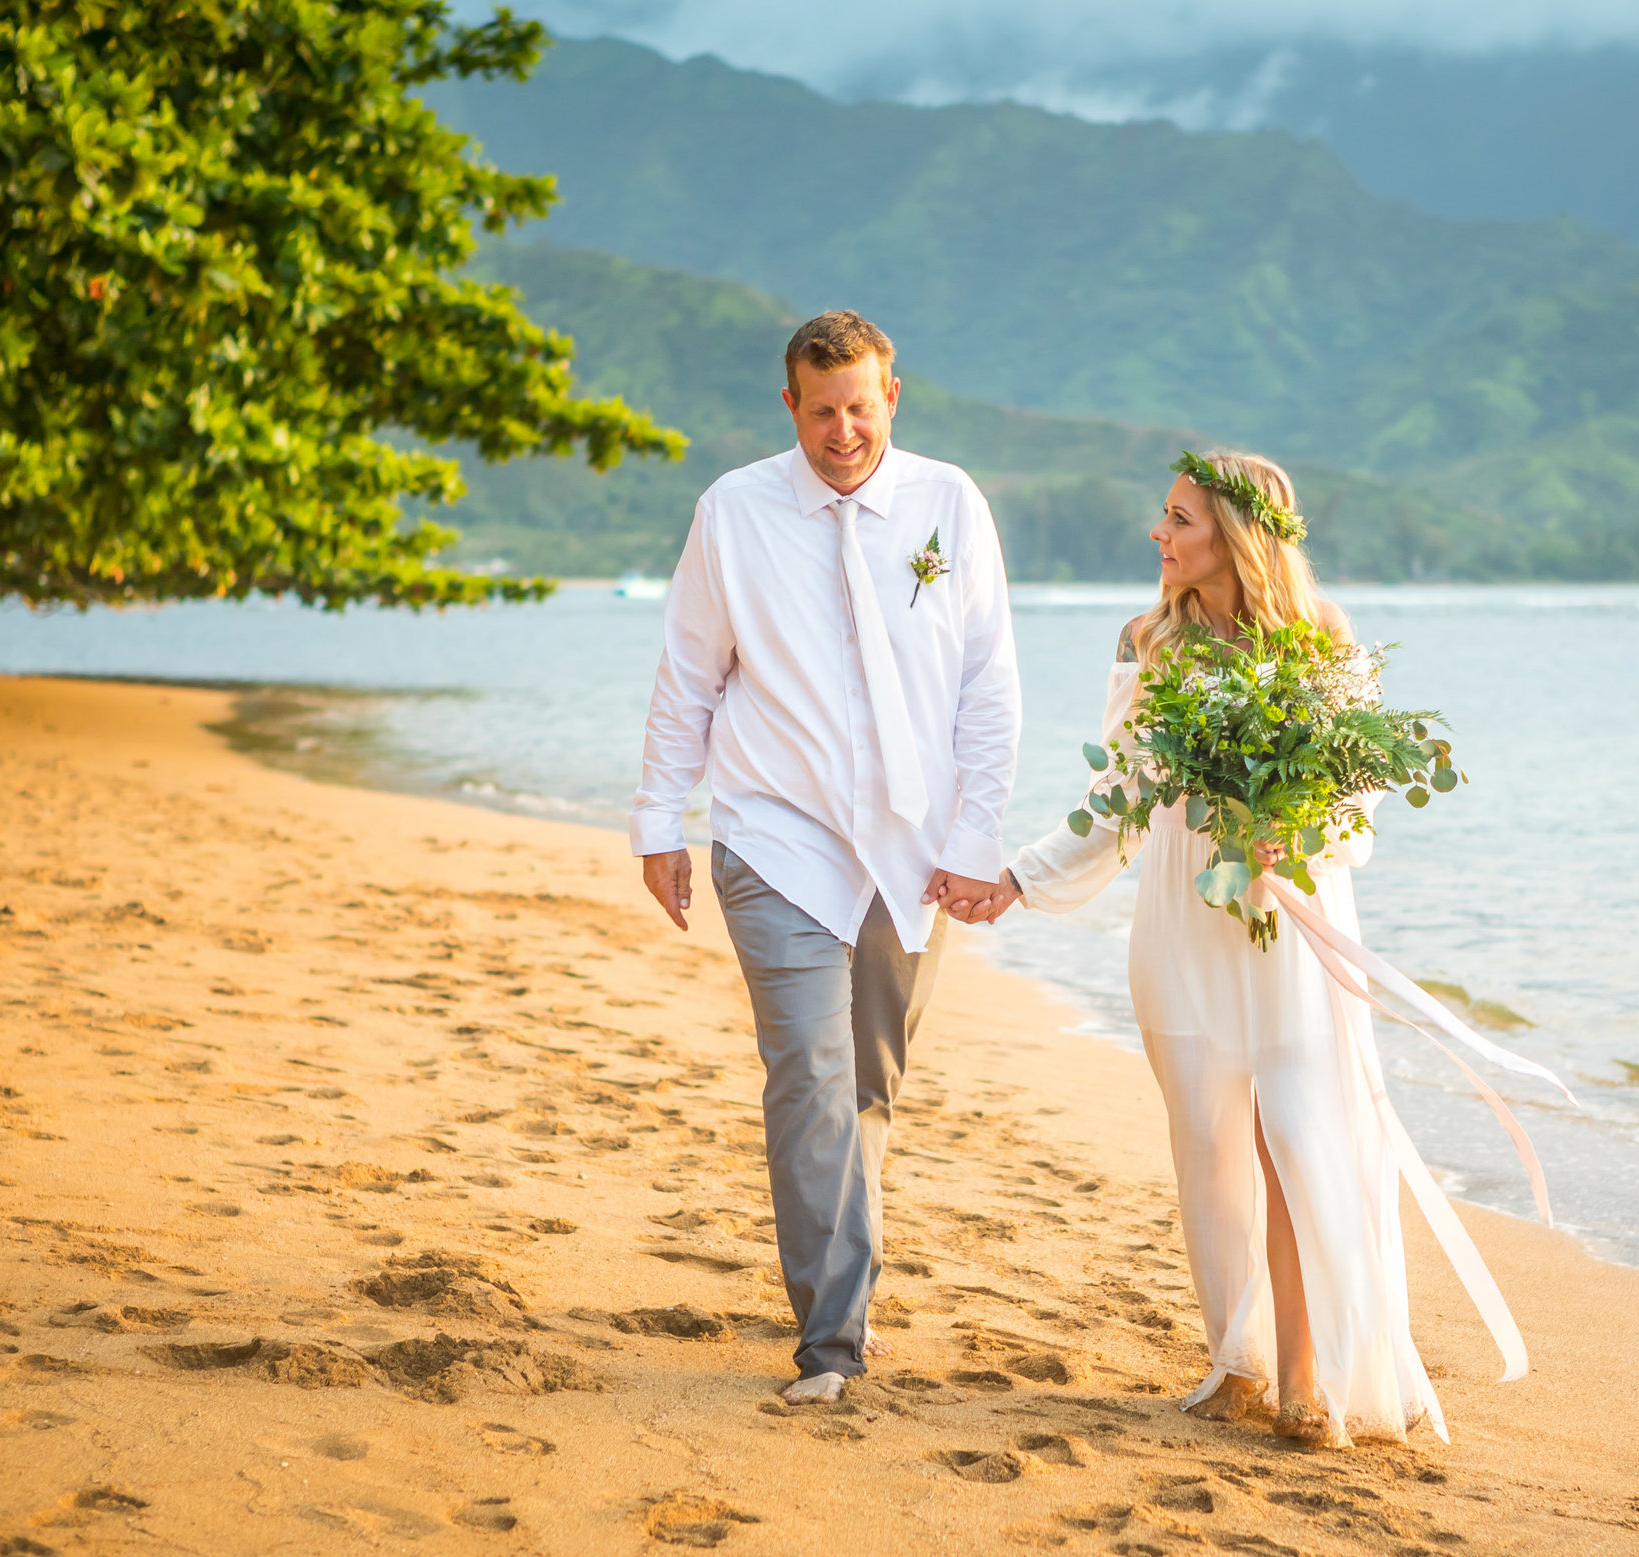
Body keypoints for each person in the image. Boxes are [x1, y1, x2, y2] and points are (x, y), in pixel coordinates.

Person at [955, 451, 1494, 1448]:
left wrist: (1302, 832)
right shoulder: (1145, 639)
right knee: (1207, 1143)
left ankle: (1304, 1376)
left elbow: (1358, 793)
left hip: (1289, 913)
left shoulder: (1320, 636)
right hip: (1181, 916)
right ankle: (1236, 1358)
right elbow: (1119, 799)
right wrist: (1018, 878)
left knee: (1294, 1134)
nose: (1156, 537)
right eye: (1162, 518)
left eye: (1178, 520)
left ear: (1237, 540)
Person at [631, 311, 1019, 1405]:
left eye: (860, 406)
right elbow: (688, 674)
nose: (842, 430)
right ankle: (832, 1340)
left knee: (870, 1088)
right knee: (810, 1076)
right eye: (821, 410)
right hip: (774, 837)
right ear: (789, 407)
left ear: (892, 395)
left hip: (911, 852)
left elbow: (988, 683)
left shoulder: (949, 504)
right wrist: (660, 819)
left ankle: (835, 1281)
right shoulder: (734, 512)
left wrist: (974, 837)